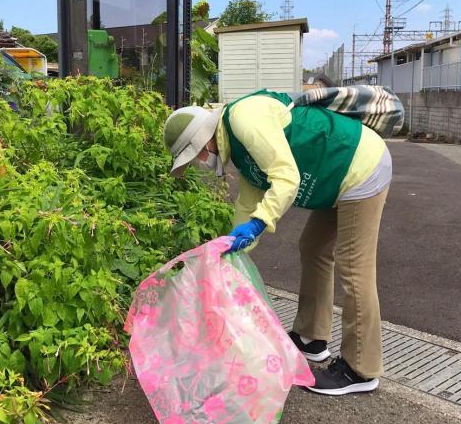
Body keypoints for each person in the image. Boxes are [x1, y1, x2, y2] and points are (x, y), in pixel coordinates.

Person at [163, 89, 391, 396]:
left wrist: (259, 223)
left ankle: (361, 369)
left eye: (196, 156)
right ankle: (311, 339)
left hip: (358, 166)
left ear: (203, 140)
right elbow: (248, 204)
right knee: (313, 248)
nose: (200, 163)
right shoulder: (240, 151)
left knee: (354, 266)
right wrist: (229, 253)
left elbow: (286, 178)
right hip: (332, 177)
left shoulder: (244, 120)